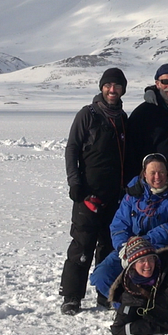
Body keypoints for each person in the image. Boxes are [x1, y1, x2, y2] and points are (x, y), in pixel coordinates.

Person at [59, 67, 128, 315]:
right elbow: (72, 149)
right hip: (88, 195)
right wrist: (74, 183)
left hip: (115, 197)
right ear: (101, 88)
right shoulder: (87, 115)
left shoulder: (122, 118)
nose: (112, 90)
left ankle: (104, 292)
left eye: (117, 86)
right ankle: (71, 296)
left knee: (109, 247)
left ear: (122, 90)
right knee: (82, 246)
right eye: (108, 85)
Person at [89, 153, 168, 300]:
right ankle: (124, 305)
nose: (157, 177)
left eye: (161, 172)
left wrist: (144, 242)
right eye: (152, 173)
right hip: (130, 249)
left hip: (161, 249)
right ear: (144, 174)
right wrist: (123, 247)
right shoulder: (133, 194)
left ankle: (152, 307)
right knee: (101, 276)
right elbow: (119, 223)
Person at [123, 64, 168, 181]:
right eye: (165, 82)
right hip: (154, 180)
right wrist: (134, 181)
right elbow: (131, 152)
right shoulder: (143, 113)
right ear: (157, 84)